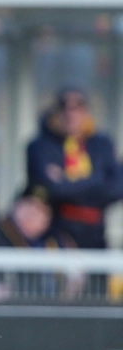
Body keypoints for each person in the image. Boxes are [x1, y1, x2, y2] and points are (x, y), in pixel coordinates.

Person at [25, 87, 123, 248]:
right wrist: (99, 179)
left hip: (96, 233)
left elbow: (117, 188)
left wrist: (68, 181)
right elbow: (54, 189)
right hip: (56, 231)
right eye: (64, 106)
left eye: (78, 106)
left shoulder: (102, 145)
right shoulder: (41, 146)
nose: (71, 114)